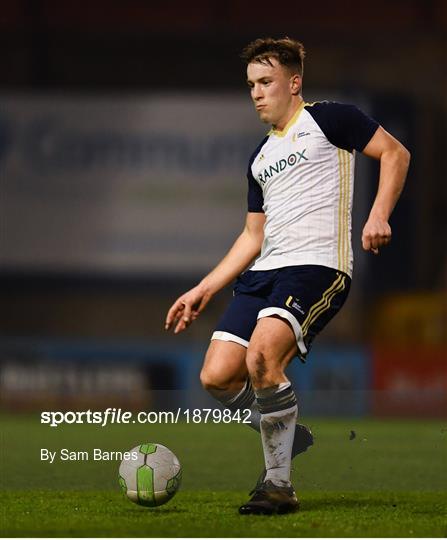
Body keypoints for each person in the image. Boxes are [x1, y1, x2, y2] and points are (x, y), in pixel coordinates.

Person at [165, 37, 410, 515]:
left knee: (261, 358)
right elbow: (252, 236)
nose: (257, 93)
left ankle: (278, 485)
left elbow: (396, 153)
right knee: (215, 377)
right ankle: (285, 433)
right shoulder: (259, 157)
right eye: (251, 85)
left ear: (294, 83)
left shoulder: (331, 118)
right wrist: (204, 288)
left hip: (316, 267)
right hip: (264, 273)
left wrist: (379, 214)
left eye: (266, 82)